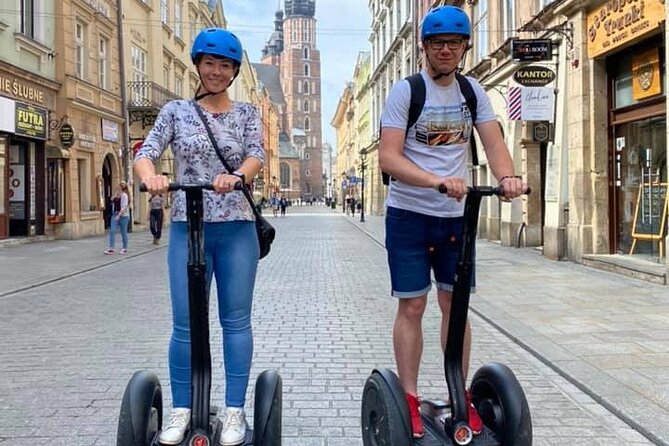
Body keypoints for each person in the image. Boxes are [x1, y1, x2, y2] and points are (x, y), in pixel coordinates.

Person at [378, 5, 525, 439]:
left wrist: (509, 177)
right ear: (424, 48)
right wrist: (435, 181)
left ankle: (457, 392)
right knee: (413, 304)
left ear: (464, 47)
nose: (446, 50)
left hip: (454, 216)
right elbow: (389, 156)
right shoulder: (406, 92)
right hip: (408, 213)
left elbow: (494, 142)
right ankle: (408, 396)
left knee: (454, 306)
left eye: (454, 43)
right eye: (438, 43)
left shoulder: (473, 91)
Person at [133, 28, 264, 446]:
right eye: (209, 63)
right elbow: (145, 151)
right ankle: (181, 409)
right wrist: (151, 175)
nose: (216, 71)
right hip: (187, 229)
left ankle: (234, 411)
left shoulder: (246, 114)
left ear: (233, 71)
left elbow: (256, 155)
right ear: (198, 65)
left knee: (235, 321)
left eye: (224, 65)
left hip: (236, 228)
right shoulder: (175, 111)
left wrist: (237, 176)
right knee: (185, 325)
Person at [104, 182, 130, 255]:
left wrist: (119, 216)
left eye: (119, 188)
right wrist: (115, 195)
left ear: (122, 189)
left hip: (124, 216)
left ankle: (124, 248)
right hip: (114, 214)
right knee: (112, 231)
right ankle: (111, 249)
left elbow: (124, 207)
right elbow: (111, 200)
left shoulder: (124, 195)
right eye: (117, 187)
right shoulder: (116, 194)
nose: (117, 188)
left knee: (123, 232)